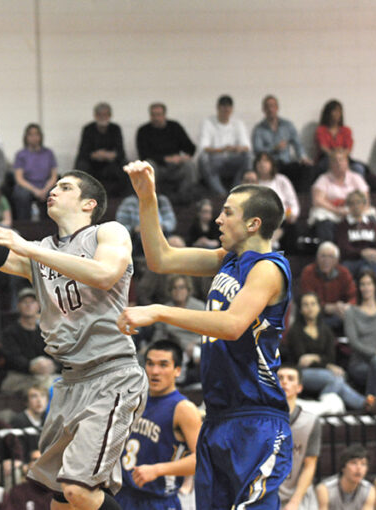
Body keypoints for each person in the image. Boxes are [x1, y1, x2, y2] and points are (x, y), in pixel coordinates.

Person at [0, 143, 146, 510]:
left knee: (79, 490)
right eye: (54, 185)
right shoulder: (40, 251)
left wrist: (31, 251)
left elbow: (104, 274)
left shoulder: (108, 233)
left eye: (65, 187)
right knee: (61, 501)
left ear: (88, 204)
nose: (54, 190)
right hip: (71, 381)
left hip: (112, 373)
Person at [119, 160, 293, 509]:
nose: (218, 219)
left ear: (253, 223)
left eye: (228, 212)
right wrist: (147, 198)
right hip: (216, 419)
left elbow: (231, 325)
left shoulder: (269, 269)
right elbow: (161, 259)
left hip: (255, 420)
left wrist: (159, 311)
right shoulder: (226, 259)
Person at [115, 340, 201, 510]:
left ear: (177, 370)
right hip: (122, 495)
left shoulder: (183, 408)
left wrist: (158, 470)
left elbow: (201, 460)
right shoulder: (134, 400)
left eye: (163, 365)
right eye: (150, 364)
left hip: (157, 500)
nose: (155, 371)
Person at [284, 293, 368, 412]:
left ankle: (363, 404)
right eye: (306, 305)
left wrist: (314, 358)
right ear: (301, 310)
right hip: (301, 373)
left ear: (319, 307)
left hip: (323, 371)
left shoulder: (326, 330)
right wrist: (325, 363)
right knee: (335, 378)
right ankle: (366, 404)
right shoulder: (295, 331)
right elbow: (301, 360)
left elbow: (330, 357)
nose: (310, 308)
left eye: (313, 304)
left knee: (338, 378)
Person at [345, 270, 376, 399]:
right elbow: (354, 343)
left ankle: (375, 406)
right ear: (358, 287)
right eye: (362, 284)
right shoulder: (351, 312)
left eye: (369, 283)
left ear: (375, 286)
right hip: (360, 363)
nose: (366, 287)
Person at [276, 365, 321, 510]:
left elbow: (310, 465)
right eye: (280, 378)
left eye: (290, 379)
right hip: (267, 493)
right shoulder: (261, 420)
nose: (284, 382)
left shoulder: (310, 421)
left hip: (298, 495)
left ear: (299, 388)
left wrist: (295, 502)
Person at [135, 102, 198, 205]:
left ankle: (185, 197)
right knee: (148, 165)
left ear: (164, 115)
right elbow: (143, 154)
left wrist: (183, 157)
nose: (156, 118)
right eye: (153, 115)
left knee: (190, 165)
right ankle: (153, 199)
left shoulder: (175, 127)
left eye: (158, 115)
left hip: (176, 167)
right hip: (158, 167)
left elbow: (190, 147)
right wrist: (165, 159)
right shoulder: (143, 131)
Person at [0, 287, 56, 396]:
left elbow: (58, 354)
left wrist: (53, 365)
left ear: (38, 305)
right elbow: (11, 358)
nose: (29, 305)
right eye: (25, 302)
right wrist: (30, 366)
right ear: (18, 306)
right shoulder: (10, 332)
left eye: (32, 302)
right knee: (46, 385)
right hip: (19, 376)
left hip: (46, 374)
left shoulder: (47, 331)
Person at [336, 190, 376, 301]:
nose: (356, 206)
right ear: (349, 206)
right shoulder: (343, 225)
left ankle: (374, 295)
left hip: (370, 261)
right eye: (352, 203)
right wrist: (362, 252)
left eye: (359, 202)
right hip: (351, 261)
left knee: (367, 269)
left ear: (364, 205)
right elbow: (344, 248)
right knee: (368, 266)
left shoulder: (371, 224)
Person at [251, 95, 314, 191]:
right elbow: (257, 151)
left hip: (286, 163)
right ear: (263, 109)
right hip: (270, 164)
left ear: (277, 108)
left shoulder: (287, 125)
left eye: (272, 106)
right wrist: (274, 148)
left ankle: (300, 197)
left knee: (306, 168)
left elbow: (297, 144)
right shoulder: (259, 129)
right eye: (267, 107)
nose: (270, 109)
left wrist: (303, 157)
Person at [151, 276, 206, 385]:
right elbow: (159, 335)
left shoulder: (199, 307)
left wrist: (196, 343)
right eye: (174, 288)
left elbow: (208, 332)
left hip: (197, 344)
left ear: (188, 290)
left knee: (203, 355)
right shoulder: (165, 309)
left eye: (181, 287)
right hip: (175, 346)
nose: (178, 291)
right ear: (170, 291)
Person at [308, 149, 371, 242]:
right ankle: (329, 247)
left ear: (347, 162)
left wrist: (352, 210)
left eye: (341, 160)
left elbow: (365, 199)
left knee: (371, 217)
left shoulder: (356, 178)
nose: (338, 163)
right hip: (331, 212)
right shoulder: (323, 179)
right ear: (330, 164)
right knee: (321, 217)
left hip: (354, 211)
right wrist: (336, 210)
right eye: (335, 161)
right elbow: (318, 200)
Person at [197, 95, 252, 196]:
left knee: (249, 156)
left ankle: (236, 191)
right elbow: (204, 148)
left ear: (231, 109)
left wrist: (236, 148)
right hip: (216, 160)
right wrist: (222, 150)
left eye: (228, 108)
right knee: (203, 158)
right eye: (223, 107)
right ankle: (221, 193)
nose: (225, 111)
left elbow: (247, 147)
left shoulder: (238, 124)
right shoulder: (208, 123)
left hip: (233, 159)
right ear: (218, 108)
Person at [299, 241, 357, 334]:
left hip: (340, 314)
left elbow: (354, 295)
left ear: (337, 260)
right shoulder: (308, 272)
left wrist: (347, 307)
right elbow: (306, 299)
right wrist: (330, 308)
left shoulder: (344, 272)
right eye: (323, 256)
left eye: (331, 256)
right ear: (317, 258)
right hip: (316, 315)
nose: (326, 260)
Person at [75, 102, 129, 197]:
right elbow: (83, 151)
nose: (102, 117)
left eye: (105, 114)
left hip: (110, 163)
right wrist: (96, 155)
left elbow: (121, 152)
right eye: (100, 114)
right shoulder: (88, 129)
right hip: (92, 163)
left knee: (125, 166)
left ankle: (120, 197)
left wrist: (108, 155)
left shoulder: (115, 129)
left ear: (110, 116)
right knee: (81, 165)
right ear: (95, 116)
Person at [254, 152, 300, 252]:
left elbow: (293, 202)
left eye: (266, 161)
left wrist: (293, 214)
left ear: (272, 164)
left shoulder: (281, 180)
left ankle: (270, 242)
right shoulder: (253, 180)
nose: (262, 164)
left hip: (281, 218)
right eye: (259, 161)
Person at [12, 123, 58, 220]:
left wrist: (45, 190)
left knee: (54, 194)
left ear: (40, 137)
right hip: (28, 186)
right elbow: (19, 178)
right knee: (21, 195)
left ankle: (50, 227)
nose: (34, 137)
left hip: (46, 185)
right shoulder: (21, 155)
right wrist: (35, 191)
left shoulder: (48, 153)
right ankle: (24, 227)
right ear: (26, 137)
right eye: (31, 135)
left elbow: (54, 176)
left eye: (36, 134)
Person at [315, 99, 366, 175]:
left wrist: (341, 157)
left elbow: (348, 148)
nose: (337, 114)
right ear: (328, 113)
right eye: (334, 111)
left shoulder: (346, 130)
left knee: (358, 168)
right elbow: (323, 147)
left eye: (339, 111)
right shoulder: (321, 130)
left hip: (343, 158)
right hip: (327, 159)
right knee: (329, 167)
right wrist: (335, 156)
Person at [316, 445, 375, 510]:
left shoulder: (369, 490)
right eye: (354, 463)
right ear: (343, 467)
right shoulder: (325, 489)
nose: (359, 468)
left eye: (363, 464)